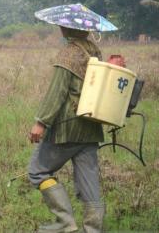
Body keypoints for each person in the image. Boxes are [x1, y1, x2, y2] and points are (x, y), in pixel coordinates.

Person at [28, 26, 108, 233]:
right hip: (91, 126)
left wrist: (41, 122)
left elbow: (57, 91)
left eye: (62, 26)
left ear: (67, 28)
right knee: (89, 182)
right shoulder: (94, 51)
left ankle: (65, 223)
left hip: (67, 127)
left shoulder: (69, 53)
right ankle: (93, 229)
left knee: (37, 171)